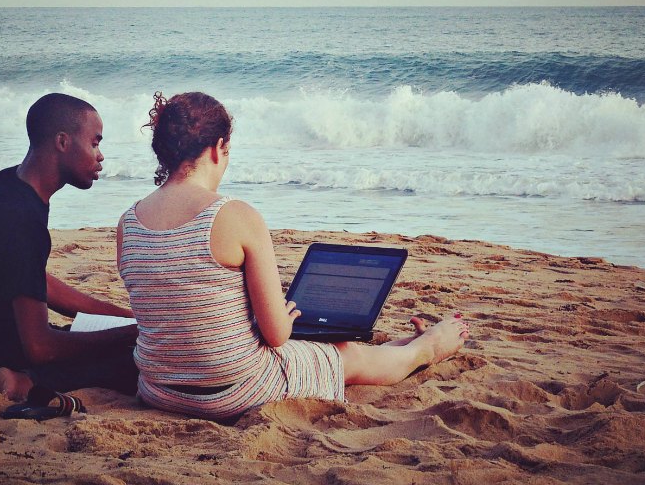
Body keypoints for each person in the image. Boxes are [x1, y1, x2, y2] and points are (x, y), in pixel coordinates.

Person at [116, 91, 469, 421]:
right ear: (218, 148)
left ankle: (404, 345)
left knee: (323, 349)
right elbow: (276, 336)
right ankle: (428, 349)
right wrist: (283, 317)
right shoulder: (234, 215)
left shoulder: (128, 222)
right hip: (234, 390)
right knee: (346, 355)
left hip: (159, 391)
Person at [0, 92, 138, 402]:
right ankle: (22, 381)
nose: (100, 156)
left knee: (115, 340)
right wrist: (127, 334)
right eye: (95, 143)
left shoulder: (2, 186)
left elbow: (30, 280)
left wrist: (123, 317)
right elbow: (40, 347)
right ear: (62, 142)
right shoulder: (22, 218)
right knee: (132, 361)